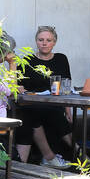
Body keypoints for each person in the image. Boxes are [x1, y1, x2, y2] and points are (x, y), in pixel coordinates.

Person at [15, 25, 73, 167]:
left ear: (54, 42)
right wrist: (19, 87)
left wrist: (68, 109)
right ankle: (74, 155)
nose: (44, 43)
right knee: (32, 114)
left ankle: (79, 153)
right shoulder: (27, 60)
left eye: (48, 40)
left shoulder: (61, 59)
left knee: (56, 114)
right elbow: (16, 84)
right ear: (36, 41)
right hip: (32, 104)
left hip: (54, 103)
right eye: (41, 40)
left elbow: (66, 84)